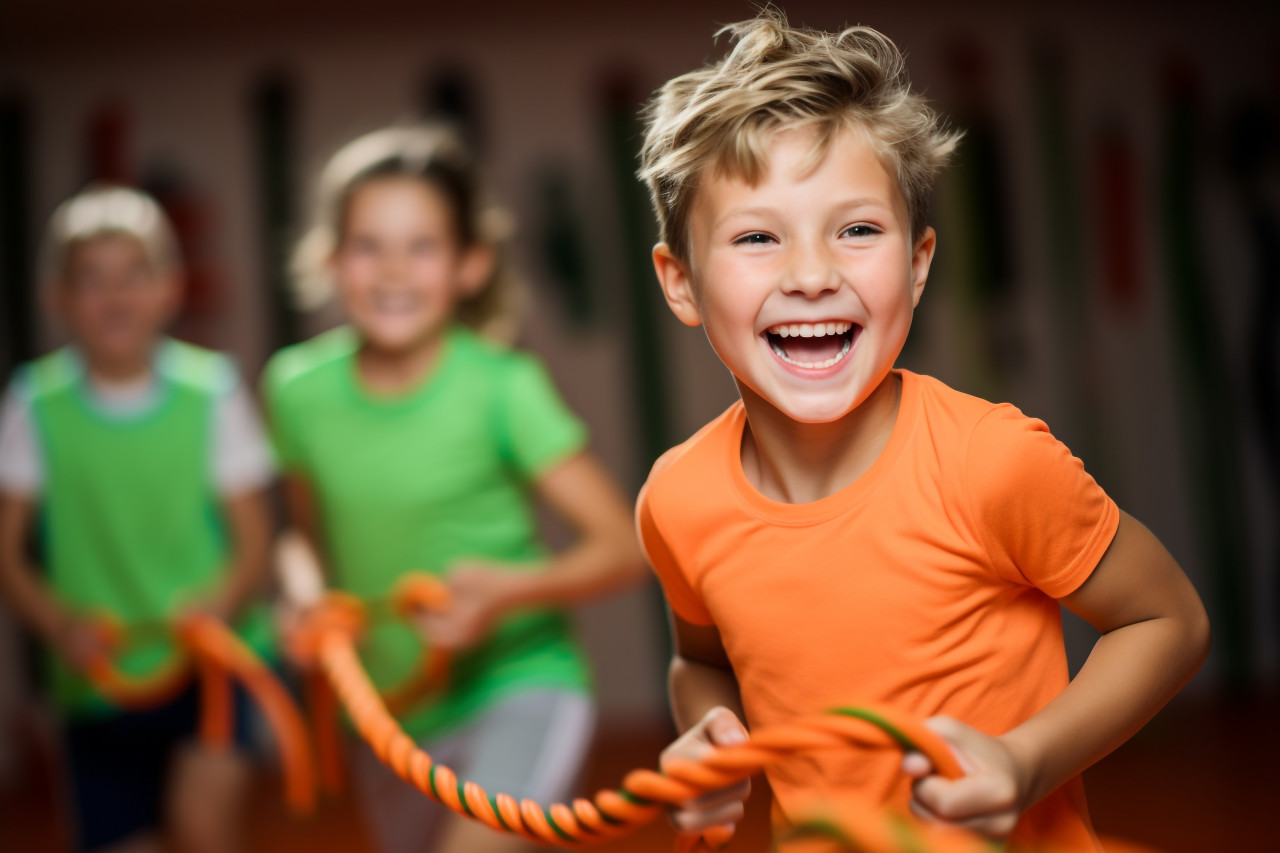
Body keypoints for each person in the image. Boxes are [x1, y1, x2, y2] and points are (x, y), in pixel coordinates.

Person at [635, 11, 1210, 852]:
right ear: (680, 283)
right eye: (758, 237)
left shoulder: (994, 462)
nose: (811, 273)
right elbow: (703, 661)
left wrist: (1024, 762)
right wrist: (714, 742)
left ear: (917, 262)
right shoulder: (678, 500)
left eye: (857, 229)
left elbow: (1170, 622)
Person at [265, 124, 647, 853]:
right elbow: (302, 537)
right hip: (388, 711)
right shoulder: (295, 389)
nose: (393, 271)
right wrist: (303, 593)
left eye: (422, 246)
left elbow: (622, 547)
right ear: (331, 258)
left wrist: (504, 591)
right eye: (368, 245)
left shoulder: (505, 387)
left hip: (521, 680)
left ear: (470, 265)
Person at [0, 184, 275, 853]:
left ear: (169, 289)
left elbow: (254, 541)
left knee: (204, 827)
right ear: (57, 297)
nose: (115, 296)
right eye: (91, 279)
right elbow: (8, 555)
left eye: (133, 275)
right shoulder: (35, 404)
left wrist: (218, 602)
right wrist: (59, 623)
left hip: (212, 666)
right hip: (97, 681)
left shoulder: (212, 391)